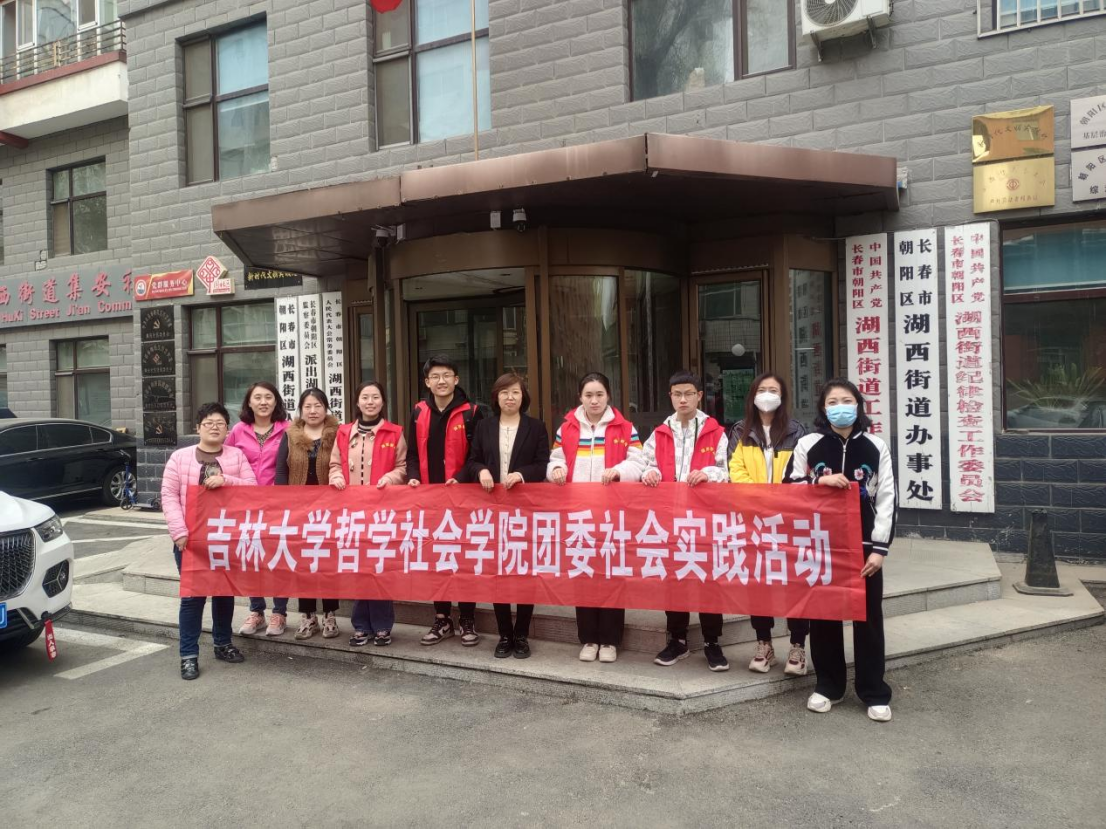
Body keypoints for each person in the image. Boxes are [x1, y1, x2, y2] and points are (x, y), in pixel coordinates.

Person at [784, 378, 896, 723]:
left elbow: (887, 498)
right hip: (822, 545)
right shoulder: (808, 444)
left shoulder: (876, 446)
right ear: (823, 408)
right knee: (823, 617)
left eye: (847, 400)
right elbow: (788, 487)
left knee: (868, 618)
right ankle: (828, 686)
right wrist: (819, 480)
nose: (840, 407)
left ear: (858, 405)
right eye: (832, 402)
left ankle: (873, 691)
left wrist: (879, 549)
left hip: (864, 546)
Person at [638, 370, 732, 673]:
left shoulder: (715, 432)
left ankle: (712, 642)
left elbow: (726, 470)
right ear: (670, 396)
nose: (682, 399)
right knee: (674, 581)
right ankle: (677, 639)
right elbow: (644, 464)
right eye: (677, 394)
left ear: (699, 396)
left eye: (688, 393)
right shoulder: (659, 433)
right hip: (669, 519)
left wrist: (708, 474)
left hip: (704, 520)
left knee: (708, 580)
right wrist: (648, 473)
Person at [548, 372, 644, 664]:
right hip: (578, 514)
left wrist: (619, 471)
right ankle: (589, 638)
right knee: (584, 575)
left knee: (612, 575)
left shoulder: (625, 427)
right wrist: (556, 471)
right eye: (588, 395)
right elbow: (555, 460)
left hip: (612, 515)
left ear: (608, 396)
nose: (594, 400)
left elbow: (639, 463)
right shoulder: (567, 428)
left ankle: (610, 640)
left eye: (599, 394)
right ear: (580, 397)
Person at [161, 402, 256, 681]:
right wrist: (179, 532)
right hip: (191, 540)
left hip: (225, 538)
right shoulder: (179, 458)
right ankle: (188, 655)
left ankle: (222, 644)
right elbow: (169, 496)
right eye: (208, 423)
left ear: (228, 429)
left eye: (220, 423)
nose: (214, 428)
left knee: (224, 594)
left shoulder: (236, 456)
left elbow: (253, 488)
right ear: (198, 427)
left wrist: (227, 480)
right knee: (192, 598)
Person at [727, 373, 811, 676]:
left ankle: (798, 646)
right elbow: (735, 470)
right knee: (758, 584)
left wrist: (780, 502)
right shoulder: (740, 430)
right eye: (761, 389)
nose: (767, 395)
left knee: (795, 583)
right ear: (752, 396)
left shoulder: (798, 431)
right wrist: (760, 500)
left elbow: (802, 472)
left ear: (783, 396)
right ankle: (764, 643)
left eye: (773, 390)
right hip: (753, 520)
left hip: (789, 521)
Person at [462, 372, 549, 659]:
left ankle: (521, 634)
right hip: (492, 510)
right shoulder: (485, 426)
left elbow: (543, 464)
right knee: (498, 572)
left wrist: (522, 474)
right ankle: (505, 634)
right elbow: (472, 461)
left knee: (525, 572)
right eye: (504, 392)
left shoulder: (536, 427)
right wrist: (481, 471)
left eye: (515, 392)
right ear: (496, 397)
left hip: (525, 511)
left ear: (523, 396)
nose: (510, 397)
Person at [406, 355, 483, 647]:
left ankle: (467, 618)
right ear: (427, 382)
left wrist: (461, 478)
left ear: (456, 379)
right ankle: (442, 618)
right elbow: (412, 455)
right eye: (435, 376)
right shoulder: (419, 412)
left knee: (464, 557)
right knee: (436, 557)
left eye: (447, 375)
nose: (441, 381)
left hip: (463, 498)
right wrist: (414, 477)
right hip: (430, 499)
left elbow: (478, 455)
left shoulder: (472, 412)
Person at [330, 381, 407, 647]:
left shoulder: (395, 432)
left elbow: (403, 466)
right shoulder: (343, 432)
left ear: (383, 401)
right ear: (357, 401)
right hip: (351, 511)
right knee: (359, 567)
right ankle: (361, 625)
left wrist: (390, 478)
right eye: (365, 397)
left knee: (380, 566)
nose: (370, 402)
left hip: (383, 511)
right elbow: (334, 464)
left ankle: (383, 626)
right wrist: (337, 476)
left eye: (375, 397)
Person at [274, 388, 342, 640]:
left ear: (326, 408)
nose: (313, 411)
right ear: (301, 410)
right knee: (304, 563)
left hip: (330, 510)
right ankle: (307, 616)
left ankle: (330, 615)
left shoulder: (338, 433)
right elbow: (281, 471)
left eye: (318, 406)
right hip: (299, 511)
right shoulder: (290, 435)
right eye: (308, 406)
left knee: (327, 562)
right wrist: (284, 504)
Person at [226, 381, 292, 638]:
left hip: (279, 504)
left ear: (276, 402)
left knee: (279, 556)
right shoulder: (238, 431)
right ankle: (257, 611)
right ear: (249, 402)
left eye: (268, 397)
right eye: (258, 398)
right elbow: (227, 462)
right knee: (251, 556)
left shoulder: (288, 429)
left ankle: (280, 612)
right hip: (246, 504)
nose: (263, 402)